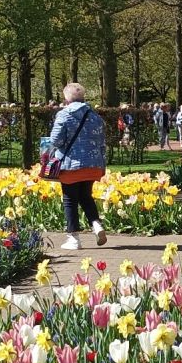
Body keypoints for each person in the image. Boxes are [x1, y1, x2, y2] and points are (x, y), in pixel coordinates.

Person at [46, 83, 107, 251]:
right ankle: (96, 224)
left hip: (70, 164)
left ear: (66, 98)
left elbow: (56, 140)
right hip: (92, 164)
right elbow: (102, 141)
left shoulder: (64, 115)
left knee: (70, 199)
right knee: (86, 196)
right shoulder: (95, 116)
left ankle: (74, 238)